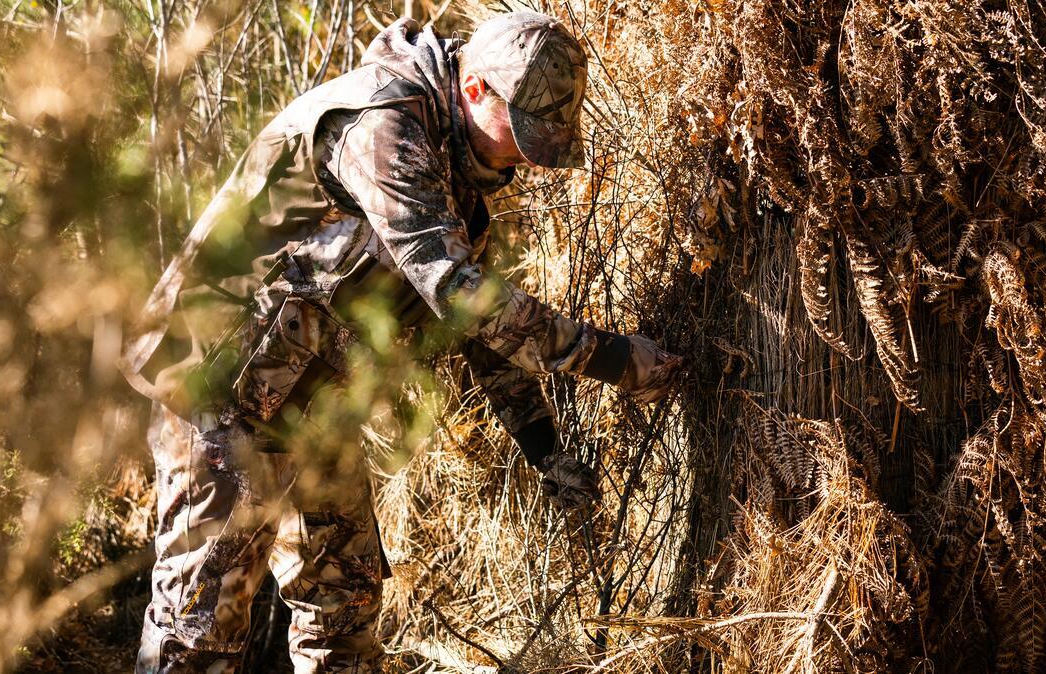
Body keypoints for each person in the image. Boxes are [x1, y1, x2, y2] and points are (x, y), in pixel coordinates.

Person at [120, 10, 683, 673]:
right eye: (523, 131)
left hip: (313, 410)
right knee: (199, 631)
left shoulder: (457, 173)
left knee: (344, 616)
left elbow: (474, 334)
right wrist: (615, 360)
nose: (527, 158)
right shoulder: (383, 124)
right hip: (217, 395)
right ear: (474, 88)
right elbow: (457, 292)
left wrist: (544, 449)